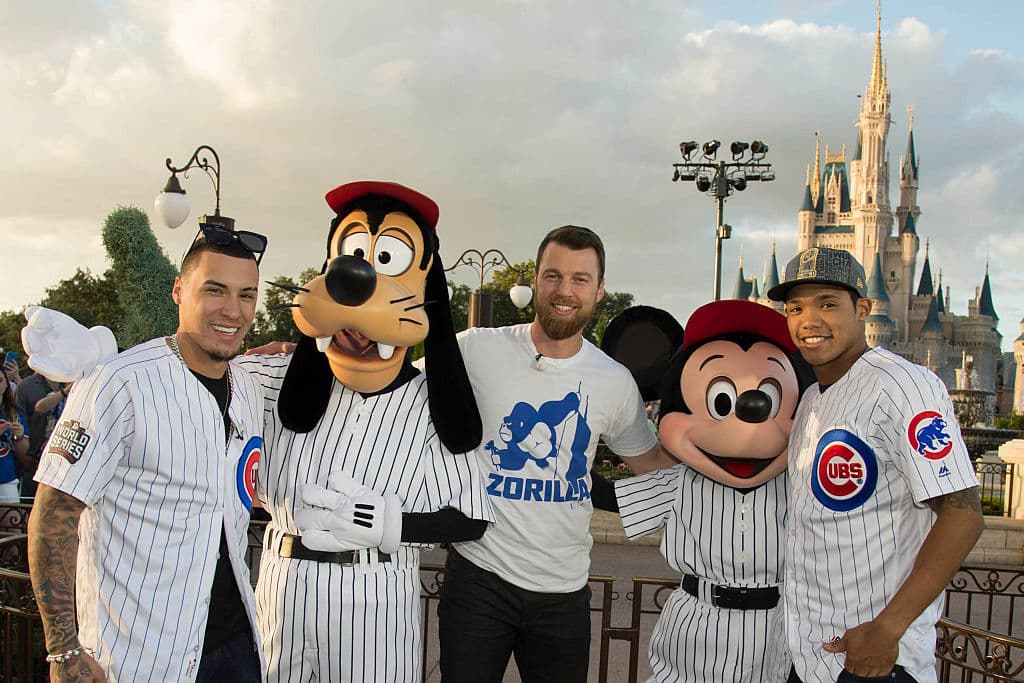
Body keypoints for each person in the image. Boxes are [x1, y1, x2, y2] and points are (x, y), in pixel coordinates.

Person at [27, 228, 269, 683]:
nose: (232, 310)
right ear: (179, 290)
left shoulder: (249, 387)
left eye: (246, 295)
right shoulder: (119, 383)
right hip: (137, 658)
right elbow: (53, 513)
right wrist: (62, 652)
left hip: (236, 649)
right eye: (214, 290)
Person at [437, 225, 676, 682]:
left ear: (599, 290)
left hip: (563, 590)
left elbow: (651, 464)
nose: (564, 291)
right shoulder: (476, 348)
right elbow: (392, 386)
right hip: (478, 578)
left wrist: (722, 454)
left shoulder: (614, 380)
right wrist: (300, 354)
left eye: (580, 279)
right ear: (537, 278)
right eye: (553, 276)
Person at [766, 247, 984, 683]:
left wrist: (888, 628)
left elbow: (963, 515)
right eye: (796, 307)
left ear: (864, 308)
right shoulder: (812, 399)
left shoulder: (905, 385)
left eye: (828, 303)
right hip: (811, 657)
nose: (809, 320)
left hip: (876, 659)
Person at [13, 369, 65, 498]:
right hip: (32, 462)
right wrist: (24, 455)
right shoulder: (26, 386)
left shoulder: (77, 383)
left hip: (62, 466)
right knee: (28, 508)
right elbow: (19, 419)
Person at [0, 370, 29, 503]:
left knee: (13, 522)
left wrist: (20, 437)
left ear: (7, 383)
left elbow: (24, 457)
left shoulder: (14, 413)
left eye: (0, 381)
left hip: (7, 478)